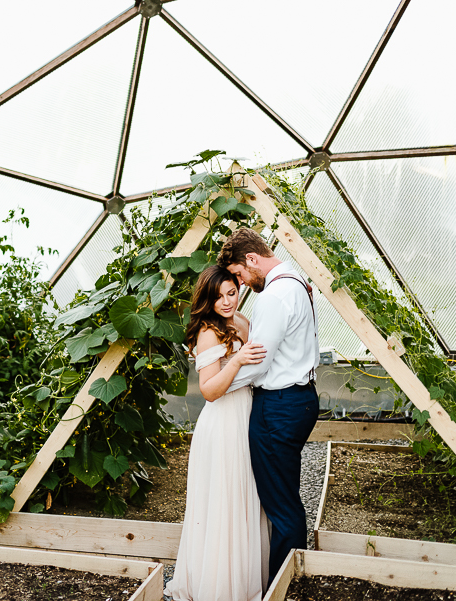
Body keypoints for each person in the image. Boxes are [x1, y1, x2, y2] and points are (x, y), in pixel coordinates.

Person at [217, 227, 320, 585]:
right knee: (285, 493)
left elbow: (258, 363)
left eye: (239, 275)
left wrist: (220, 383)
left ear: (251, 260)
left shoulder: (275, 296)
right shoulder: (298, 282)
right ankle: (290, 573)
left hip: (277, 405)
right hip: (300, 398)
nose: (241, 283)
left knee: (281, 505)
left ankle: (283, 585)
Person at [166, 265, 268, 601]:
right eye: (219, 296)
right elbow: (209, 390)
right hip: (223, 422)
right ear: (207, 299)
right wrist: (237, 361)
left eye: (231, 292)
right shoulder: (209, 332)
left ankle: (242, 579)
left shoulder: (241, 321)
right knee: (226, 500)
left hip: (247, 414)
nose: (227, 301)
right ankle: (220, 587)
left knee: (246, 495)